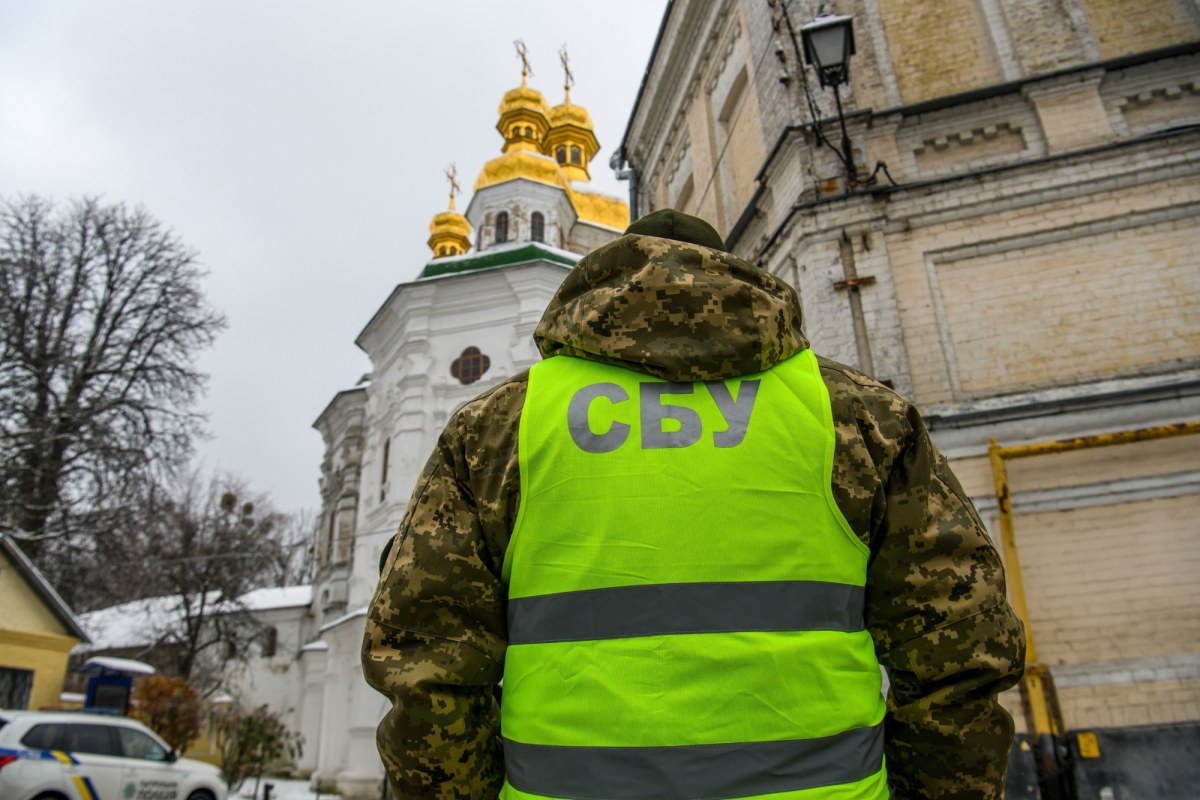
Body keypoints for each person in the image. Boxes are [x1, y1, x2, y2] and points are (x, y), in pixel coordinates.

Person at [363, 209, 1025, 800]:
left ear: (604, 279)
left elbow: (426, 664)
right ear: (737, 276)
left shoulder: (499, 428)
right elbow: (959, 644)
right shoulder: (858, 417)